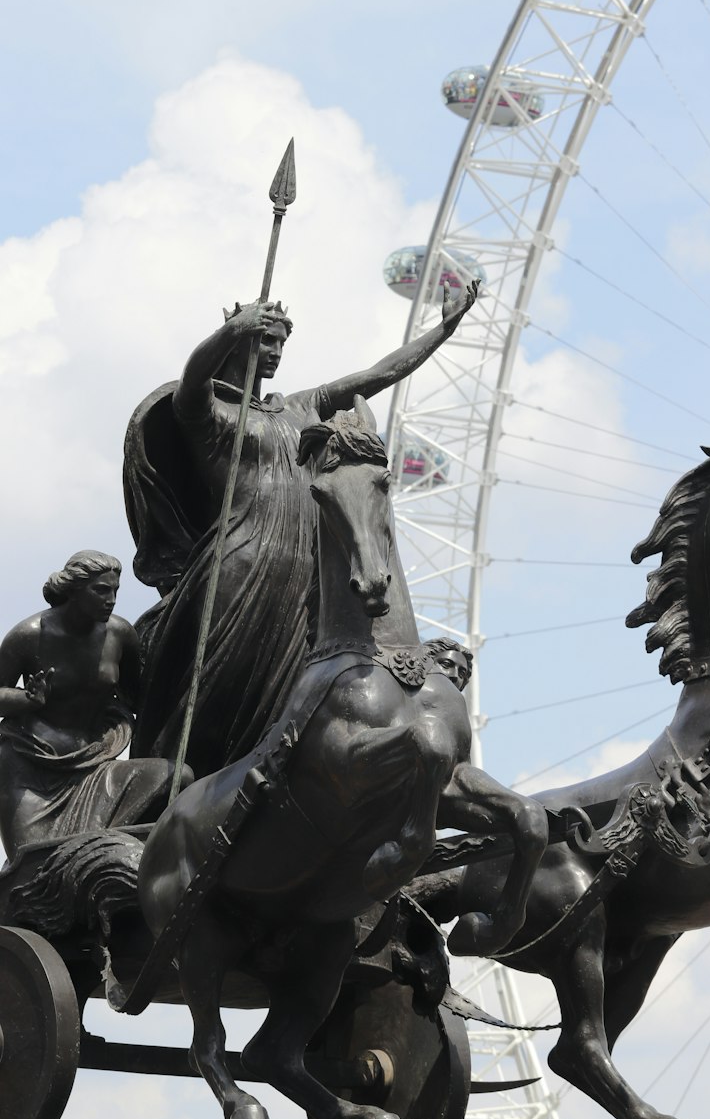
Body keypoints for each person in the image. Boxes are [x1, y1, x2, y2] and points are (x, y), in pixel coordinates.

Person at [124, 283, 479, 779]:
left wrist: (443, 330)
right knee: (214, 688)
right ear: (237, 341)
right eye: (263, 340)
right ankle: (176, 783)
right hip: (243, 563)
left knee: (294, 687)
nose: (274, 353)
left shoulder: (301, 407)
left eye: (280, 344)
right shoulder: (208, 412)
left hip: (308, 568)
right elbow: (191, 378)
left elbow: (376, 374)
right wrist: (231, 328)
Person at [0, 552, 183, 859]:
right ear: (73, 590)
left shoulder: (120, 634)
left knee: (176, 776)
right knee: (32, 867)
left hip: (94, 765)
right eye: (101, 590)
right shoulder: (28, 636)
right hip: (29, 768)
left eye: (115, 591)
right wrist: (27, 699)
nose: (111, 599)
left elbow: (140, 696)